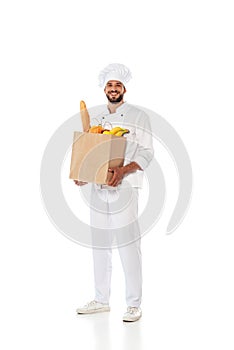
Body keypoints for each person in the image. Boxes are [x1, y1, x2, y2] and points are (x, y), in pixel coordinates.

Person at [75, 63, 154, 322]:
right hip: (99, 188)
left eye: (117, 85)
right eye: (109, 85)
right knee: (99, 244)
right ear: (104, 89)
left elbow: (146, 152)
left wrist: (122, 171)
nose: (113, 89)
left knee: (128, 244)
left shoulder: (139, 116)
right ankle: (101, 299)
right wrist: (83, 175)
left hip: (125, 187)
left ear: (124, 89)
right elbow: (92, 151)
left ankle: (134, 304)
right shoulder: (97, 119)